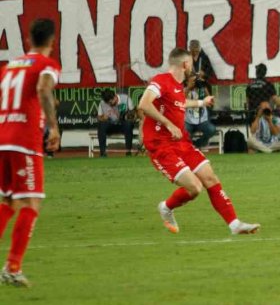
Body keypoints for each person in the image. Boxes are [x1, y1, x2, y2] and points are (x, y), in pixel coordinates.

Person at [140, 48, 259, 236]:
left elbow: (180, 103)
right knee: (195, 188)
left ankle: (234, 224)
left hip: (181, 143)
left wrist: (202, 102)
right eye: (192, 64)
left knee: (210, 178)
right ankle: (166, 207)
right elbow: (144, 104)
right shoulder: (161, 80)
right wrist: (168, 124)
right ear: (185, 64)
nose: (193, 68)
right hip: (161, 146)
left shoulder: (178, 87)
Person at [0, 19, 60, 287]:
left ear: (28, 39)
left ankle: (11, 268)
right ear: (52, 41)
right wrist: (54, 127)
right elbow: (44, 89)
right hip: (24, 141)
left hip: (3, 137)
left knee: (8, 203)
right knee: (31, 204)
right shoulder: (47, 65)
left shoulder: (10, 66)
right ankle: (13, 268)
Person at [97, 88, 135, 157]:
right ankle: (103, 153)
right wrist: (103, 118)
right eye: (108, 103)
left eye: (111, 102)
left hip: (123, 124)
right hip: (111, 124)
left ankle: (128, 152)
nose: (110, 104)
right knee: (101, 125)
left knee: (129, 124)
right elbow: (99, 117)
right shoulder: (102, 103)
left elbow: (133, 113)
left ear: (115, 97)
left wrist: (127, 116)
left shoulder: (126, 98)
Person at [184, 74, 217, 149]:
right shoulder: (184, 89)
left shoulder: (202, 89)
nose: (194, 83)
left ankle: (198, 144)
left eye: (195, 81)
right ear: (186, 82)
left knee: (211, 130)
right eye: (192, 81)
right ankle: (189, 147)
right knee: (184, 133)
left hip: (202, 121)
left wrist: (203, 86)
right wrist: (189, 87)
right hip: (188, 121)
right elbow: (181, 99)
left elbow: (211, 102)